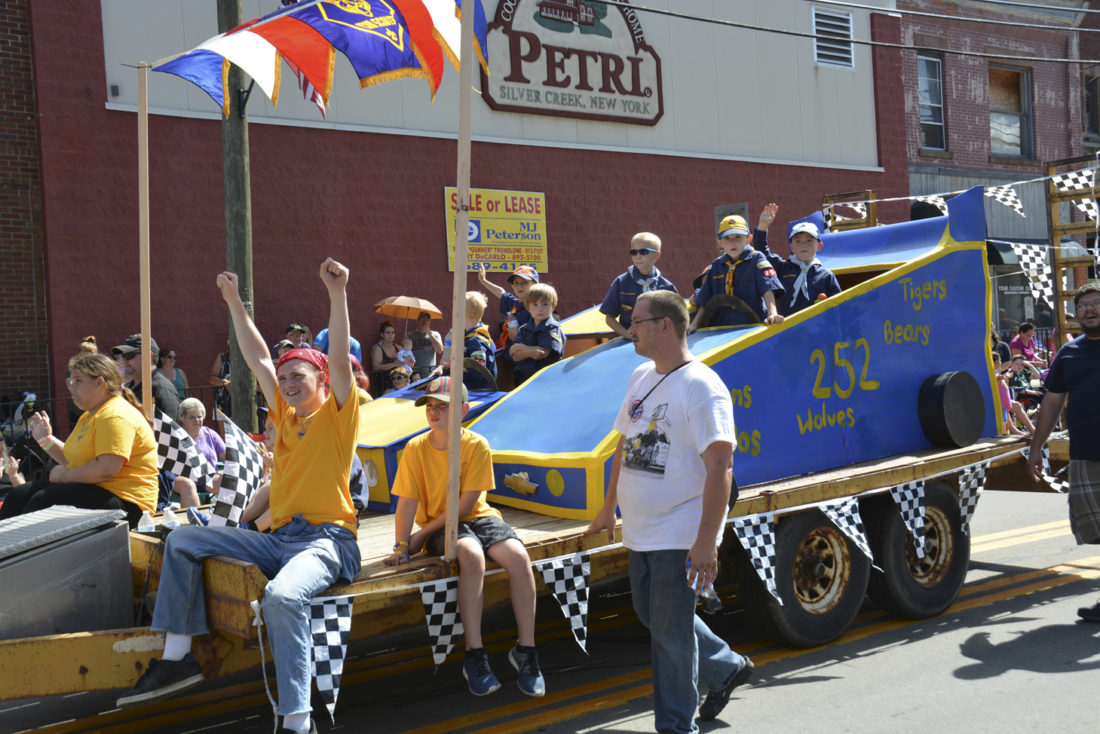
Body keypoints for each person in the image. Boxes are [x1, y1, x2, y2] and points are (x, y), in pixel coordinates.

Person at [117, 259, 361, 734]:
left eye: (300, 377)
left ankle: (297, 720)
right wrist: (232, 302)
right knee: (182, 540)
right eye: (285, 380)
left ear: (323, 382)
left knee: (281, 597)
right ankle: (178, 657)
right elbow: (258, 360)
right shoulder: (285, 418)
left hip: (326, 540)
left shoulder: (338, 415)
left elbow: (335, 361)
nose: (288, 385)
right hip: (280, 539)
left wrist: (337, 294)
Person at [586, 290, 753, 733]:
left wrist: (706, 542)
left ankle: (677, 727)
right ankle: (725, 666)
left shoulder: (702, 387)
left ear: (664, 325)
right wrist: (607, 507)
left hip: (679, 531)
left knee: (671, 636)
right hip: (641, 529)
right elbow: (624, 444)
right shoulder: (642, 375)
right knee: (654, 617)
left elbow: (720, 466)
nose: (629, 329)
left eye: (637, 321)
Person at [383, 376, 545, 698]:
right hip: (442, 525)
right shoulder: (414, 448)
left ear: (463, 410)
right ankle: (475, 654)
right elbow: (406, 502)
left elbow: (467, 505)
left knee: (519, 556)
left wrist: (420, 536)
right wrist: (402, 545)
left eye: (442, 406)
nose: (433, 412)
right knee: (471, 554)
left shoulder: (476, 444)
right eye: (430, 406)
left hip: (476, 517)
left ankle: (526, 650)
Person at [0, 353, 157, 528]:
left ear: (99, 382)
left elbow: (107, 468)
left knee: (43, 501)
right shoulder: (91, 415)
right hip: (98, 490)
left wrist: (65, 477)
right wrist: (45, 440)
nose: (71, 386)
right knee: (20, 494)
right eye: (71, 380)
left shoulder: (115, 415)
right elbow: (75, 461)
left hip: (128, 503)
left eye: (78, 380)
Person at [1027, 284, 1100, 623]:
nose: (1090, 309)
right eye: (1083, 305)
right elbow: (1052, 402)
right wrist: (1036, 447)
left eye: (1096, 303)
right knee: (1094, 527)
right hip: (1086, 453)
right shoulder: (1068, 354)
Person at [689, 214, 784, 332]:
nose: (732, 243)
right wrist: (695, 323)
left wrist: (772, 313)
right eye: (727, 238)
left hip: (752, 327)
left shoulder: (756, 258)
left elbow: (767, 288)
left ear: (749, 239)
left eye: (737, 237)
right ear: (719, 242)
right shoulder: (717, 265)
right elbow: (706, 297)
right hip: (721, 329)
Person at [753, 204, 841, 316]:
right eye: (798, 241)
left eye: (809, 240)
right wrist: (763, 226)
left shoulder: (826, 276)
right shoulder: (783, 268)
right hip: (789, 325)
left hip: (818, 325)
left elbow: (839, 307)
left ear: (819, 246)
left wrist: (826, 307)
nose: (803, 245)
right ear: (792, 247)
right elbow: (762, 255)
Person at [599, 232, 678, 339]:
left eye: (643, 252)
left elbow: (676, 317)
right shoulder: (621, 283)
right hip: (630, 342)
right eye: (633, 252)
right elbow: (609, 318)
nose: (638, 256)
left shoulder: (666, 287)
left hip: (658, 340)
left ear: (657, 255)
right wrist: (627, 334)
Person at [172, 397, 226, 509]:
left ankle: (231, 516)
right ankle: (196, 518)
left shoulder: (210, 434)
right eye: (192, 417)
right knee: (188, 484)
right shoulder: (175, 437)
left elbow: (227, 457)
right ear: (182, 418)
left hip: (208, 478)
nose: (197, 420)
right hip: (183, 479)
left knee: (229, 482)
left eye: (199, 417)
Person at [113, 334, 179, 421]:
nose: (125, 360)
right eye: (123, 355)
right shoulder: (127, 388)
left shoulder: (161, 389)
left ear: (148, 356)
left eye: (129, 355)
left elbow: (168, 427)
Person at [509, 283, 565, 386]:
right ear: (528, 307)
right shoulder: (523, 329)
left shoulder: (552, 328)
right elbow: (515, 355)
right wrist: (532, 350)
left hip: (546, 381)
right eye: (535, 304)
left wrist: (520, 348)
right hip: (523, 380)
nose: (540, 308)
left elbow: (541, 354)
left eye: (545, 304)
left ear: (553, 306)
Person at [478, 264, 538, 349]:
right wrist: (483, 281)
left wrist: (518, 335)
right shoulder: (514, 304)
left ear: (535, 285)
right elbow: (501, 293)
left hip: (525, 352)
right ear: (512, 286)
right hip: (510, 351)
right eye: (516, 283)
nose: (519, 286)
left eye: (525, 282)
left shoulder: (537, 309)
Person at [458, 291, 498, 390]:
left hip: (478, 390)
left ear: (464, 311)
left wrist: (453, 366)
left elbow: (478, 369)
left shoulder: (475, 340)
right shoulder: (470, 335)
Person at [991, 353, 1034, 436]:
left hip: (1002, 398)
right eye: (1000, 361)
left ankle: (1018, 430)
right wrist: (1005, 376)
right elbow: (994, 380)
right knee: (1012, 408)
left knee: (1009, 409)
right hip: (996, 399)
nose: (1001, 363)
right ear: (995, 362)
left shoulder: (995, 371)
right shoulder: (991, 372)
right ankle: (1017, 430)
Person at [409, 311, 444, 380]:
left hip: (430, 372)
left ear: (430, 321)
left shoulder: (435, 334)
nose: (424, 321)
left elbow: (439, 350)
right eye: (422, 318)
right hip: (415, 374)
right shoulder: (411, 336)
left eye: (427, 319)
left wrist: (430, 335)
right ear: (418, 320)